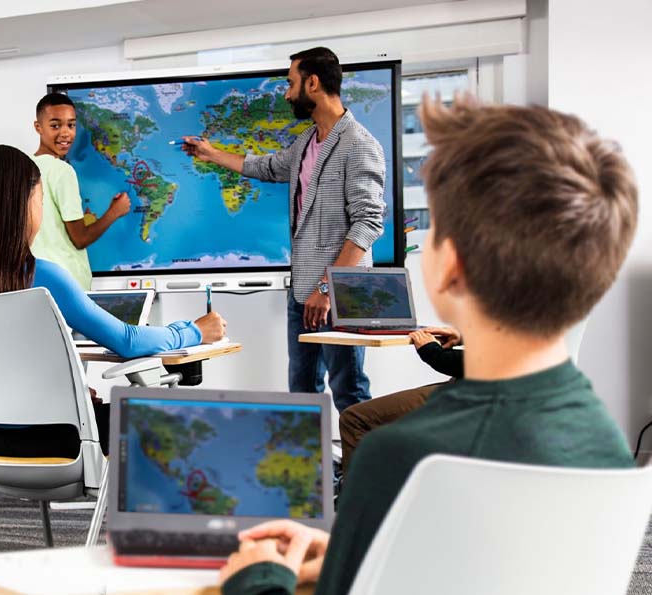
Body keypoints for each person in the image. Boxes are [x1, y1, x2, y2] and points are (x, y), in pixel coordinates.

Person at [217, 96, 639, 595]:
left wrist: (256, 575)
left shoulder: (399, 455)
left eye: (434, 230)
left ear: (449, 268)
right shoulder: (609, 450)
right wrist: (343, 551)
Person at [0, 144, 227, 457]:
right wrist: (194, 331)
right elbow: (127, 340)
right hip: (62, 441)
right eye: (41, 200)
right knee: (187, 420)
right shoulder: (41, 277)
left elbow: (0, 366)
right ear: (23, 206)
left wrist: (64, 395)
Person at [182, 46, 385, 413]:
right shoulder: (309, 141)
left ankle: (362, 471)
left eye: (291, 83)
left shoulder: (359, 144)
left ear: (312, 82)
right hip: (302, 294)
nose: (287, 93)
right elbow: (268, 167)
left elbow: (369, 222)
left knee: (349, 392)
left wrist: (328, 288)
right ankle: (316, 470)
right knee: (303, 393)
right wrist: (210, 154)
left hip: (337, 296)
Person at [30, 92, 132, 289]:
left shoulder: (25, 167)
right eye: (55, 125)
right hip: (68, 284)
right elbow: (80, 238)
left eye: (71, 124)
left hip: (40, 282)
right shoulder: (62, 171)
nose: (65, 133)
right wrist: (115, 212)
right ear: (38, 127)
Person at [339, 326, 462, 472]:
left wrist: (432, 351)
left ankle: (361, 494)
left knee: (354, 419)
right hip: (470, 382)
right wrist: (461, 338)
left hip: (475, 390)